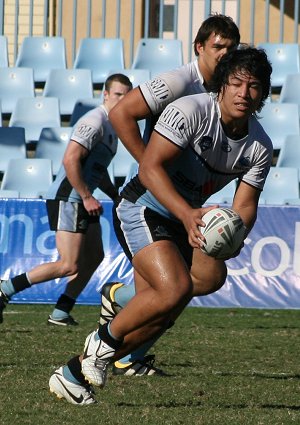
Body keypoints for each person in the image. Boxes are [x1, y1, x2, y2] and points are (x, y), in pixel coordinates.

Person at [49, 46, 273, 405]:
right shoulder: (190, 111)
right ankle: (101, 342)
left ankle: (74, 372)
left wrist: (235, 234)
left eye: (254, 87)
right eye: (236, 83)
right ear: (221, 86)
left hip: (184, 216)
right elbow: (149, 169)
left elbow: (245, 206)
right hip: (142, 205)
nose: (244, 94)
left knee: (186, 296)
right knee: (174, 289)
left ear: (263, 94)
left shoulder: (260, 147)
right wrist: (186, 214)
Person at [98, 13, 241, 376]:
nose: (225, 54)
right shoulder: (179, 82)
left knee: (204, 279)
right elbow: (121, 114)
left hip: (185, 207)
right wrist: (150, 166)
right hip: (148, 202)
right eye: (218, 47)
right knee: (169, 293)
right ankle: (122, 355)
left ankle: (118, 302)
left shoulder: (226, 91)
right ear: (199, 47)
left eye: (231, 48)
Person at [0, 73, 133, 326]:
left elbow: (96, 168)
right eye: (118, 94)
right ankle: (5, 288)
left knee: (94, 257)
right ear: (105, 95)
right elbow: (70, 160)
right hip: (69, 197)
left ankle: (61, 311)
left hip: (82, 197)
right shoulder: (94, 122)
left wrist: (114, 195)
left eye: (127, 95)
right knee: (68, 265)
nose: (123, 99)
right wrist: (85, 196)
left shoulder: (113, 126)